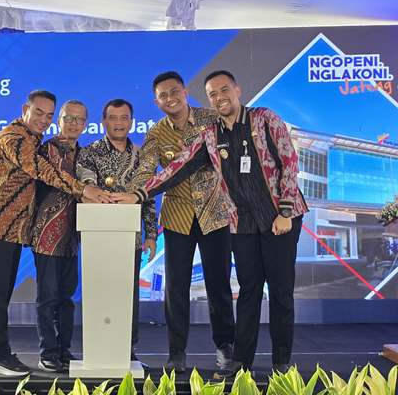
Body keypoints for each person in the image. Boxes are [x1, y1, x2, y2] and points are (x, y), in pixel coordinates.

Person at [0, 90, 111, 376]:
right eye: (39, 113)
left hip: (10, 228)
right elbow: (45, 172)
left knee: (1, 289)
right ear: (25, 110)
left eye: (48, 115)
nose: (43, 120)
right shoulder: (16, 139)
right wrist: (84, 189)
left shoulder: (32, 138)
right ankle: (0, 356)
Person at [112, 71, 236, 373]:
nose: (170, 98)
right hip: (178, 216)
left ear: (185, 92)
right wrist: (129, 195)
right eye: (163, 95)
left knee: (219, 285)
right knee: (176, 289)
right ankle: (176, 353)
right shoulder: (156, 134)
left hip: (215, 214)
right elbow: (146, 172)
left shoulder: (211, 119)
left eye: (175, 91)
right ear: (157, 102)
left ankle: (225, 348)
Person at [203, 70, 308, 376]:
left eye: (224, 90)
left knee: (280, 291)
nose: (220, 97)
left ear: (237, 90)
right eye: (212, 94)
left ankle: (281, 361)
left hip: (280, 219)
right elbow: (180, 164)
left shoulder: (264, 118)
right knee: (248, 291)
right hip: (243, 223)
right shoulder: (211, 134)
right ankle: (242, 361)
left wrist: (285, 211)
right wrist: (139, 193)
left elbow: (289, 162)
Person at [76, 98, 157, 368]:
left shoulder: (142, 156)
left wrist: (151, 235)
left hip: (129, 239)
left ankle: (126, 350)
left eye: (124, 118)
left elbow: (148, 197)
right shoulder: (89, 153)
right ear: (104, 121)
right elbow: (87, 186)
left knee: (128, 295)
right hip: (98, 238)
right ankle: (99, 348)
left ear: (131, 122)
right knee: (100, 293)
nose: (119, 123)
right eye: (113, 117)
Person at [30, 100, 88, 372]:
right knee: (48, 297)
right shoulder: (46, 150)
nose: (73, 124)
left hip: (72, 239)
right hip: (46, 235)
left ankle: (64, 350)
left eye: (79, 119)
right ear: (59, 120)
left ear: (85, 124)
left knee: (67, 297)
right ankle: (48, 352)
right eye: (68, 118)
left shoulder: (85, 155)